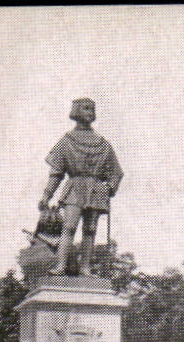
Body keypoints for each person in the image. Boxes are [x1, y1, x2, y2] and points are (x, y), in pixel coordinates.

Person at [40, 98, 123, 276]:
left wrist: (109, 187)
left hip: (96, 190)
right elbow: (56, 172)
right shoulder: (66, 141)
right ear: (76, 111)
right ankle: (60, 266)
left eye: (92, 109)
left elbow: (116, 172)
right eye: (86, 108)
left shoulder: (103, 143)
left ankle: (85, 267)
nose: (90, 112)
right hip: (75, 188)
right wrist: (46, 195)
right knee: (69, 227)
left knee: (90, 230)